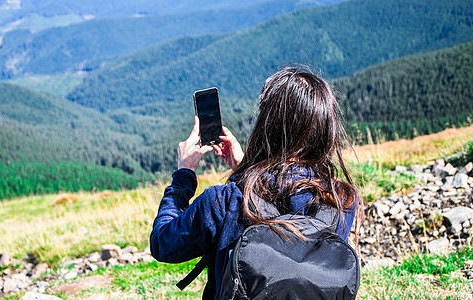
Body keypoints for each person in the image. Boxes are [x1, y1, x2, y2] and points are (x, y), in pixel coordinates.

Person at [150, 66, 361, 299]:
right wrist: (245, 168)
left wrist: (184, 175)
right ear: (327, 129)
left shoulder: (224, 201)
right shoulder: (340, 198)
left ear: (266, 125)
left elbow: (163, 243)